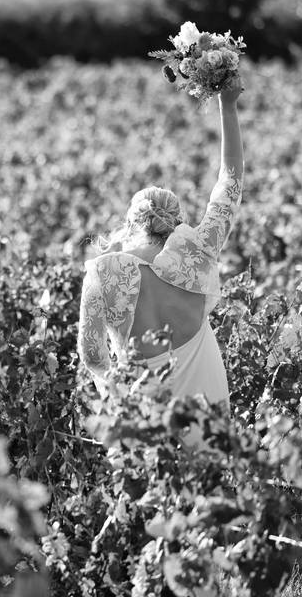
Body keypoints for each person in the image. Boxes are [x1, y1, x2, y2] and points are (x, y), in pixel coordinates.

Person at [77, 83, 244, 407]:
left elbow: (92, 354)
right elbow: (231, 182)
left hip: (144, 407)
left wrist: (120, 394)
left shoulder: (103, 272)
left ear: (128, 225)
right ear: (176, 221)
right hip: (207, 398)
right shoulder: (198, 249)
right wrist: (228, 106)